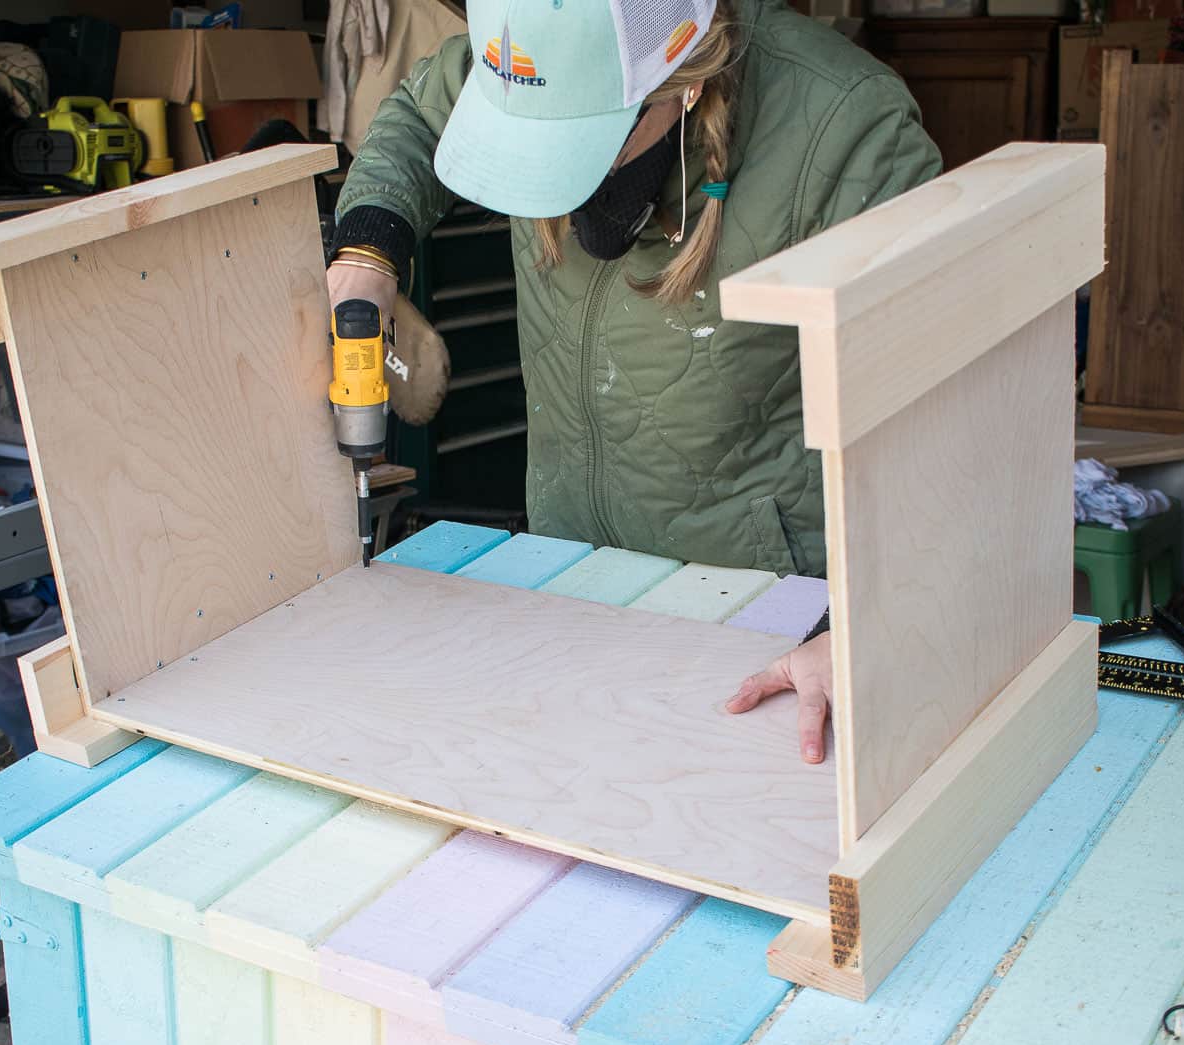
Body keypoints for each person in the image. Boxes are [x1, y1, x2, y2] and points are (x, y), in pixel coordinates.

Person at [327, 0, 941, 763]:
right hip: (570, 581)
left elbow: (943, 434)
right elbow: (423, 114)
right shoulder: (530, 48)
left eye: (579, 137)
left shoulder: (848, 129)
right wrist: (369, 248)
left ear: (682, 80)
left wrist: (858, 628)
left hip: (770, 627)